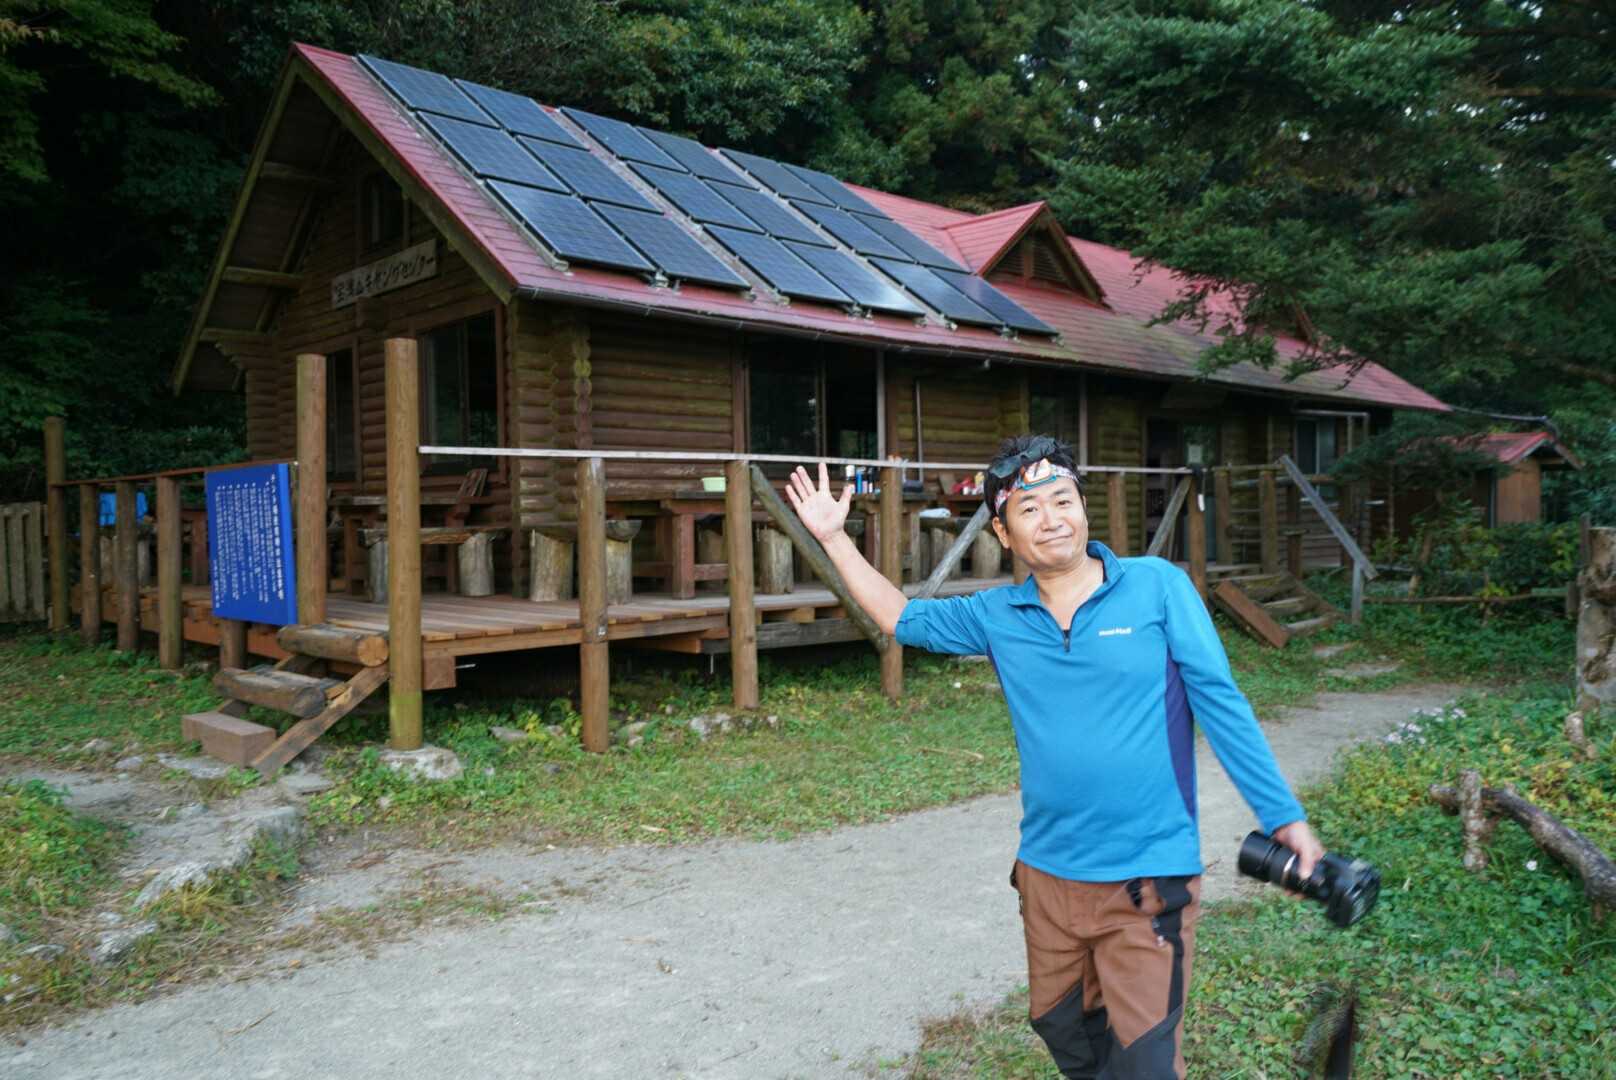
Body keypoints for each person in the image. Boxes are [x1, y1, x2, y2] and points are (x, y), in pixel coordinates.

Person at [784, 434, 1323, 1079]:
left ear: (1083, 507)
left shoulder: (1157, 588)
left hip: (1147, 879)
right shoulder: (998, 614)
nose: (1052, 519)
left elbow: (1221, 703)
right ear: (1004, 533)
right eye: (1030, 509)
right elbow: (900, 618)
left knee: (1145, 1065)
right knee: (1065, 1033)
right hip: (1048, 878)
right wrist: (833, 538)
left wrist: (1282, 814)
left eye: (1063, 500)